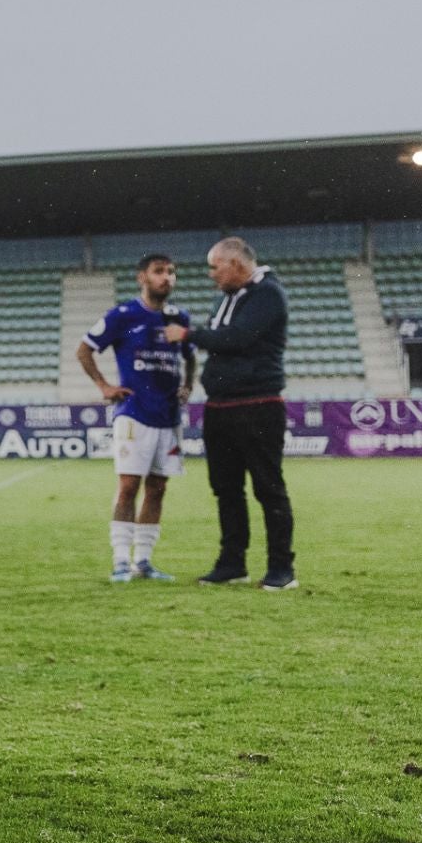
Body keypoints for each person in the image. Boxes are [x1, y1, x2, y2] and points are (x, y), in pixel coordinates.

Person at [165, 237, 296, 591]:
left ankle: (282, 568)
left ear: (236, 263)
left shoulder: (268, 294)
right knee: (226, 489)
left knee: (268, 488)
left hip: (258, 404)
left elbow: (237, 339)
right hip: (220, 406)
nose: (211, 275)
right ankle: (232, 563)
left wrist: (187, 335)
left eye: (214, 266)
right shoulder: (227, 298)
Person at [77, 253, 197, 583]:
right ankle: (120, 560)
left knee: (158, 488)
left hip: (169, 418)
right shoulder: (123, 315)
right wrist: (103, 385)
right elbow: (84, 349)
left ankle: (143, 561)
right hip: (134, 414)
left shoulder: (179, 318)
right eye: (159, 272)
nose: (167, 278)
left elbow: (191, 357)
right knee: (129, 485)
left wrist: (188, 385)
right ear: (141, 278)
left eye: (172, 272)